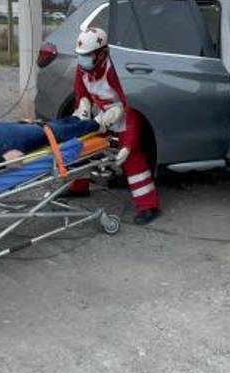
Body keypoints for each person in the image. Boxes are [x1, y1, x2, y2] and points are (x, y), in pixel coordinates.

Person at [69, 27, 161, 225]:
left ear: (102, 53)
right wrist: (83, 111)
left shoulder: (114, 71)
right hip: (102, 112)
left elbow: (131, 108)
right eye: (80, 55)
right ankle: (78, 187)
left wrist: (127, 145)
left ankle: (148, 206)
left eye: (87, 56)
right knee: (81, 145)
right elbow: (81, 93)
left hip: (124, 112)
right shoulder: (83, 68)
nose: (82, 60)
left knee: (132, 158)